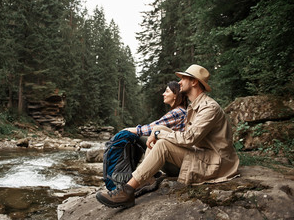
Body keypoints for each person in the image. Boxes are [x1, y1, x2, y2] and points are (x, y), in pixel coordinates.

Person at [96, 64, 240, 208]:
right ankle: (146, 178)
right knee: (158, 128)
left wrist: (159, 134)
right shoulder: (194, 106)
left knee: (162, 142)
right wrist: (158, 131)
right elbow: (185, 136)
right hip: (202, 155)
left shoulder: (209, 108)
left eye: (183, 78)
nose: (179, 82)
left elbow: (189, 139)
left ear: (194, 82)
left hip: (216, 163)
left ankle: (127, 191)